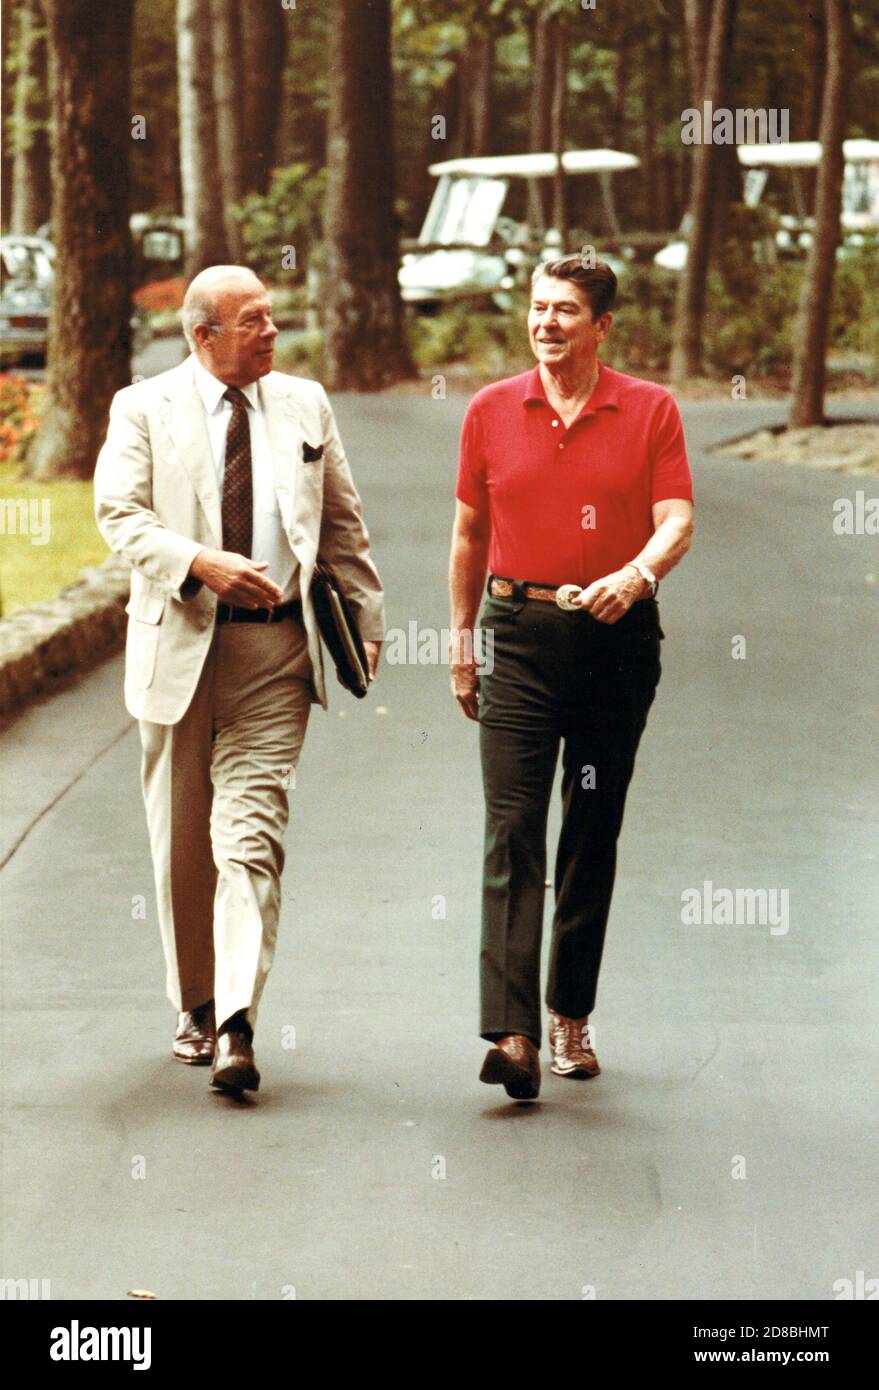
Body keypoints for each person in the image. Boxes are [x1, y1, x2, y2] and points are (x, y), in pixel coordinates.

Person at [94, 265, 384, 1096]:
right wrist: (199, 563)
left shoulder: (305, 405)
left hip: (276, 653)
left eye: (271, 318)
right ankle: (193, 1001)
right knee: (184, 846)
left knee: (248, 837)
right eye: (252, 321)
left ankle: (236, 1023)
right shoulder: (142, 407)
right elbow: (120, 515)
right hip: (179, 645)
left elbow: (340, 523)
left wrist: (365, 625)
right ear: (202, 334)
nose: (271, 332)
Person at [448, 255, 694, 1101]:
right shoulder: (489, 409)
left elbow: (676, 519)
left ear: (602, 326)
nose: (545, 323)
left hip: (614, 640)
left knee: (590, 827)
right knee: (511, 826)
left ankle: (569, 1014)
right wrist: (458, 638)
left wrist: (636, 576)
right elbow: (468, 533)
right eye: (536, 309)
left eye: (564, 311)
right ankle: (511, 1033)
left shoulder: (649, 409)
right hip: (515, 634)